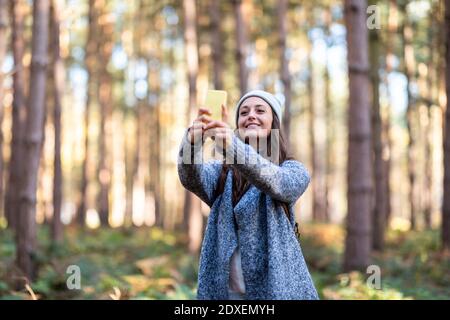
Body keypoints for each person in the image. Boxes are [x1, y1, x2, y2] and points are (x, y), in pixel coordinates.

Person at [178, 89, 318, 300]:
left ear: (274, 123)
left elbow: (276, 182)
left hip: (277, 291)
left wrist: (232, 147)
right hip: (226, 293)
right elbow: (191, 178)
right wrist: (192, 141)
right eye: (243, 113)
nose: (251, 115)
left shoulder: (293, 170)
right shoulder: (221, 173)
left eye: (260, 110)